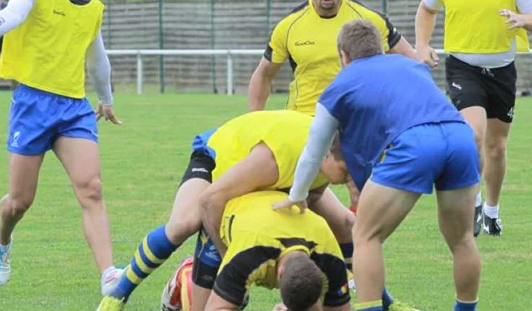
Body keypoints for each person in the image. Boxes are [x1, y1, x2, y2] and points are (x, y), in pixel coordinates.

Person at [280, 19, 481, 311]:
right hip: (460, 137)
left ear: (343, 55)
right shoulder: (412, 65)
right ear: (381, 48)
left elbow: (315, 150)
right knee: (462, 239)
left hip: (415, 143)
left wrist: (297, 195)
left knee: (365, 235)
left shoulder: (340, 85)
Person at [0, 0, 123, 295]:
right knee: (19, 201)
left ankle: (109, 273)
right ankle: (3, 240)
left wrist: (107, 100)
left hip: (74, 108)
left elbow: (97, 59)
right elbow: (10, 16)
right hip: (33, 106)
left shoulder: (93, 7)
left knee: (92, 189)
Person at [97, 110, 358, 310]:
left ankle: (378, 295)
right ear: (325, 157)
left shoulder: (328, 154)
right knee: (185, 223)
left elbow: (312, 195)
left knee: (345, 222)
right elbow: (211, 200)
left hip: (273, 167)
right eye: (346, 172)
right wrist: (228, 256)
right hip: (221, 154)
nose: (350, 181)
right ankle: (120, 292)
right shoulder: (272, 162)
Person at [247, 0, 419, 212]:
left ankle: (360, 244)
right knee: (295, 193)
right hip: (303, 120)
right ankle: (305, 243)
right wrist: (253, 122)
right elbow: (264, 75)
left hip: (355, 120)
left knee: (359, 190)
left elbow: (411, 62)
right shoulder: (289, 26)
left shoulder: (368, 20)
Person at [414, 0, 532, 236]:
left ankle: (491, 212)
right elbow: (426, 9)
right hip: (463, 68)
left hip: (502, 71)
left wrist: (523, 20)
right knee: (472, 133)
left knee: (496, 147)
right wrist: (421, 45)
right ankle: (472, 201)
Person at [204, 190, 352, 311]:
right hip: (224, 216)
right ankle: (186, 273)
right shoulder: (250, 253)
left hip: (274, 208)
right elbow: (215, 308)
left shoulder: (329, 255)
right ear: (279, 272)